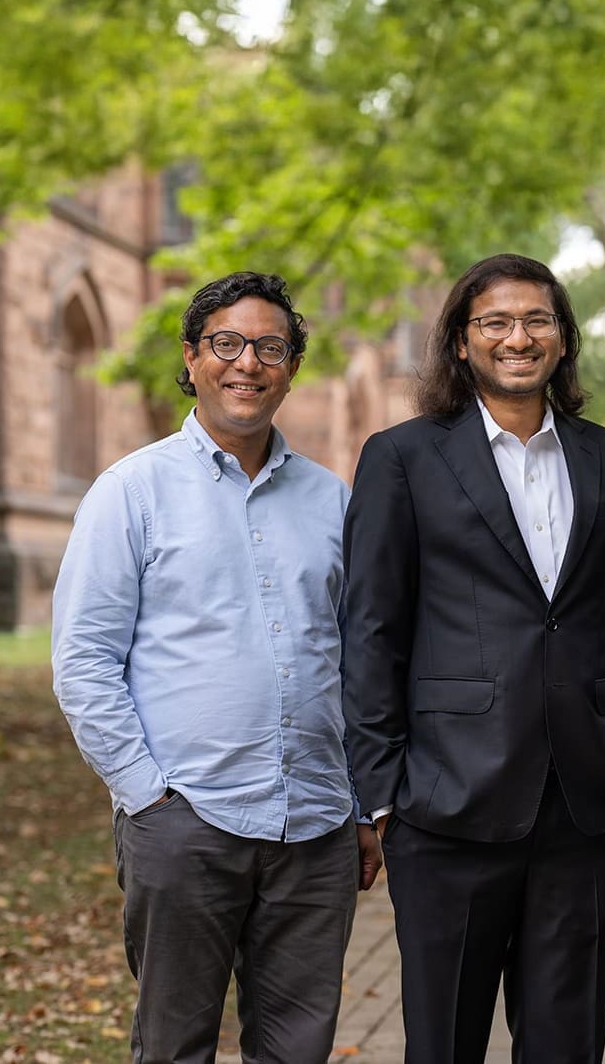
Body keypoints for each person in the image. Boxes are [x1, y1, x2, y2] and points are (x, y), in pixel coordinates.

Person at [51, 271, 381, 1063]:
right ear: (193, 359)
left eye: (270, 347)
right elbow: (84, 661)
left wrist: (364, 805)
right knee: (175, 1044)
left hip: (316, 822)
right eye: (227, 344)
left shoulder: (333, 500)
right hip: (185, 819)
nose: (248, 363)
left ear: (293, 366)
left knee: (298, 1046)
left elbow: (361, 658)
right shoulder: (131, 491)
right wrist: (146, 796)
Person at [342, 253, 605, 1064]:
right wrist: (382, 793)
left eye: (537, 321)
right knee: (443, 1041)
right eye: (495, 321)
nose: (517, 337)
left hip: (589, 804)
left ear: (562, 340)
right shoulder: (402, 457)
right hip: (447, 802)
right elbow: (373, 627)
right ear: (460, 341)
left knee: (567, 1043)